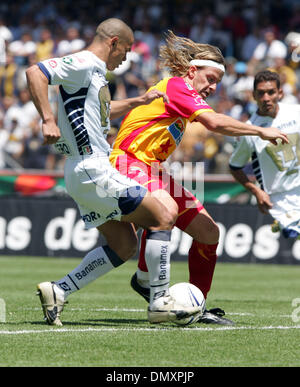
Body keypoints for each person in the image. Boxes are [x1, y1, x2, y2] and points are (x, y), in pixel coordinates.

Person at [26, 18, 203, 327]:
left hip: (81, 172)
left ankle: (59, 290)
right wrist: (47, 119)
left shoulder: (94, 74)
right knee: (163, 215)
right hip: (93, 167)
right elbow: (36, 72)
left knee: (124, 246)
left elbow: (100, 109)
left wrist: (139, 100)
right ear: (113, 43)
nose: (126, 57)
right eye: (126, 50)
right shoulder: (84, 62)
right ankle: (160, 300)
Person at [109, 31, 289, 325]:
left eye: (217, 82)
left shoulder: (186, 97)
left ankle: (196, 303)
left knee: (209, 234)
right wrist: (259, 130)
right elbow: (215, 122)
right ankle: (147, 285)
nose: (213, 86)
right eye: (209, 78)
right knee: (162, 212)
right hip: (128, 162)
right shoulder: (178, 86)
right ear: (192, 71)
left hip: (151, 168)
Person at [229, 70, 300, 240]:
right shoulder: (249, 130)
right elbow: (234, 167)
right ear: (254, 95)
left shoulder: (296, 112)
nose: (266, 98)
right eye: (261, 93)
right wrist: (256, 191)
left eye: (271, 92)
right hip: (279, 201)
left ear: (280, 93)